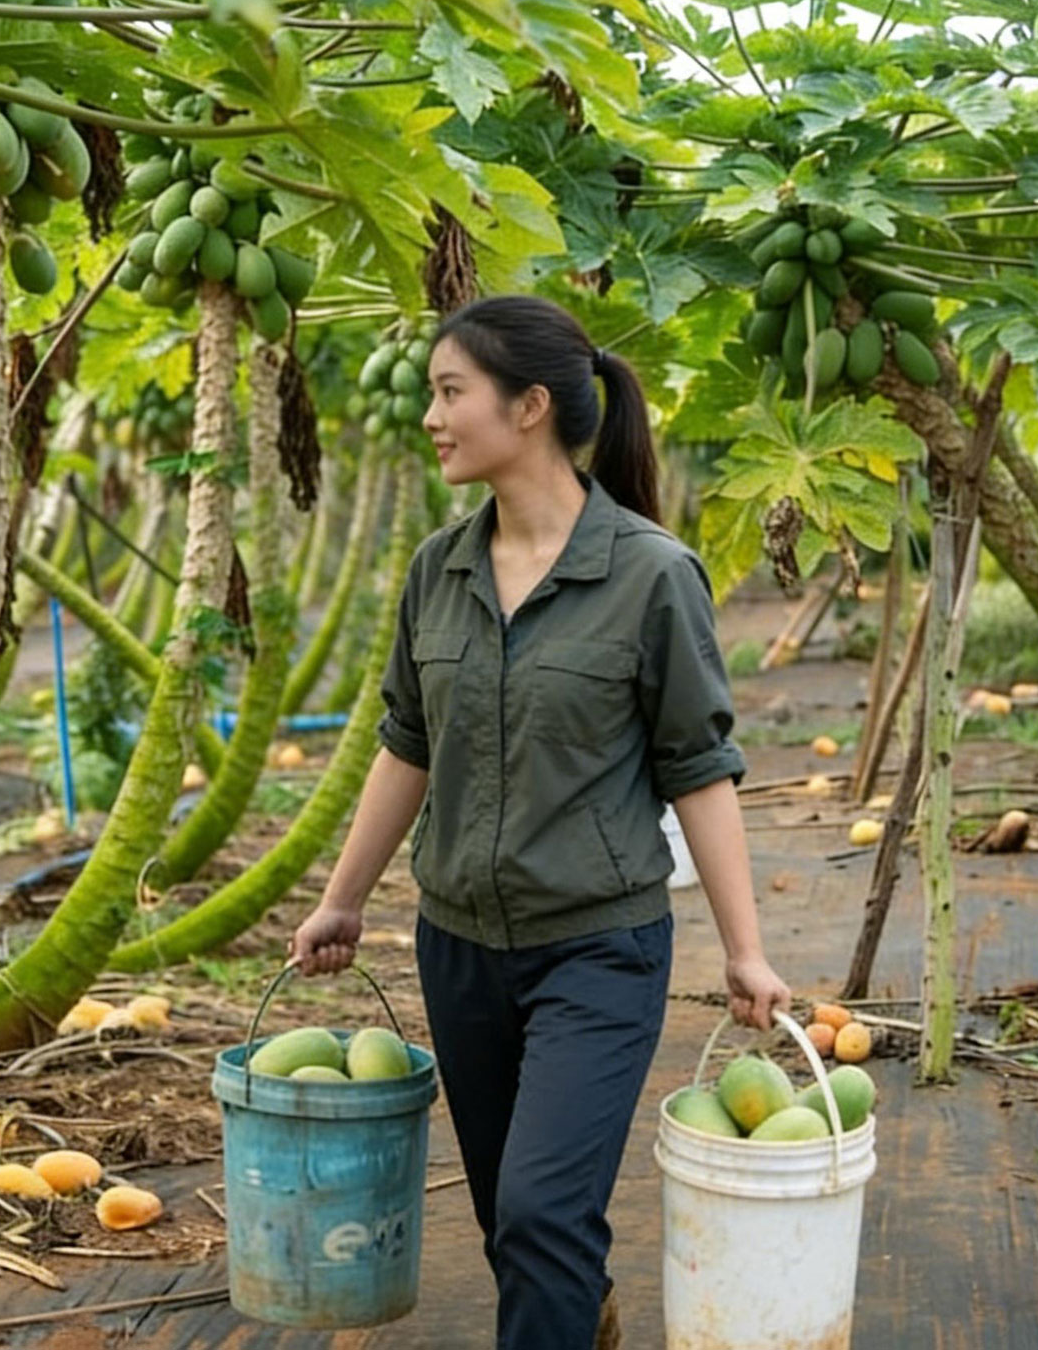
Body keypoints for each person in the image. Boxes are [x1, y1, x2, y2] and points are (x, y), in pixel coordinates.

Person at [289, 296, 792, 1349]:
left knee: (539, 1212)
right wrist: (340, 900)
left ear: (526, 406)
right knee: (507, 1221)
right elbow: (405, 745)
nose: (428, 415)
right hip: (459, 948)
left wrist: (745, 952)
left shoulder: (651, 574)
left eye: (447, 391)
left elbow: (698, 771)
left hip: (595, 952)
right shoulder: (438, 568)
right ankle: (581, 1311)